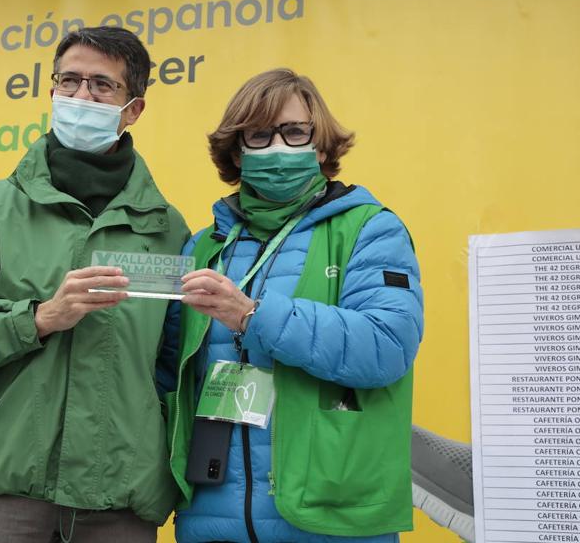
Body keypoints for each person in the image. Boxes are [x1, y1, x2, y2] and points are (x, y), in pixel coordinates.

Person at [0, 26, 189, 543]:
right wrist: (37, 319)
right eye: (69, 81)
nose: (81, 96)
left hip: (119, 495)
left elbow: (173, 364)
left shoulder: (166, 229)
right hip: (4, 488)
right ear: (51, 91)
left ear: (133, 109)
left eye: (102, 86)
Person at [158, 68, 424, 542]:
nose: (279, 147)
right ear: (237, 152)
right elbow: (167, 381)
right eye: (260, 135)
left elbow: (387, 347)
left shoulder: (370, 229)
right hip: (210, 521)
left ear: (321, 146)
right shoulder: (203, 247)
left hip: (331, 518)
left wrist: (254, 315)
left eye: (295, 132)